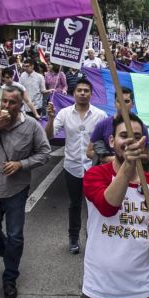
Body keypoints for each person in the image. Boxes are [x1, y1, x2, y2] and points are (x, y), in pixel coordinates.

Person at [0, 85, 51, 298]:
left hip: (16, 189)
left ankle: (10, 277)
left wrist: (21, 164)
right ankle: (9, 256)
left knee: (15, 235)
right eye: (4, 101)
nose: (7, 106)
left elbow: (45, 153)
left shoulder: (31, 126)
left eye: (12, 102)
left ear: (20, 105)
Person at [81, 114, 149, 298]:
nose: (130, 142)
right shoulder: (95, 175)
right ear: (112, 141)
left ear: (144, 143)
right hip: (98, 290)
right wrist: (129, 166)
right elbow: (107, 207)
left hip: (140, 292)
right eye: (124, 135)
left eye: (136, 137)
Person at [46, 78, 107, 254]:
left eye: (86, 91)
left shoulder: (100, 115)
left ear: (91, 94)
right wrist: (50, 119)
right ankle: (73, 238)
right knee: (74, 204)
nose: (82, 93)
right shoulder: (64, 113)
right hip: (72, 166)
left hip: (93, 168)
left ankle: (93, 239)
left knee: (94, 206)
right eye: (79, 90)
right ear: (74, 93)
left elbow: (105, 141)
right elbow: (49, 136)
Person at [86, 87, 149, 166]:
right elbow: (89, 152)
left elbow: (146, 157)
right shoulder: (102, 125)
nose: (122, 105)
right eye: (119, 101)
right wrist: (110, 159)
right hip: (107, 173)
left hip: (132, 172)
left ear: (133, 104)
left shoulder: (141, 127)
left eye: (126, 101)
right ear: (115, 103)